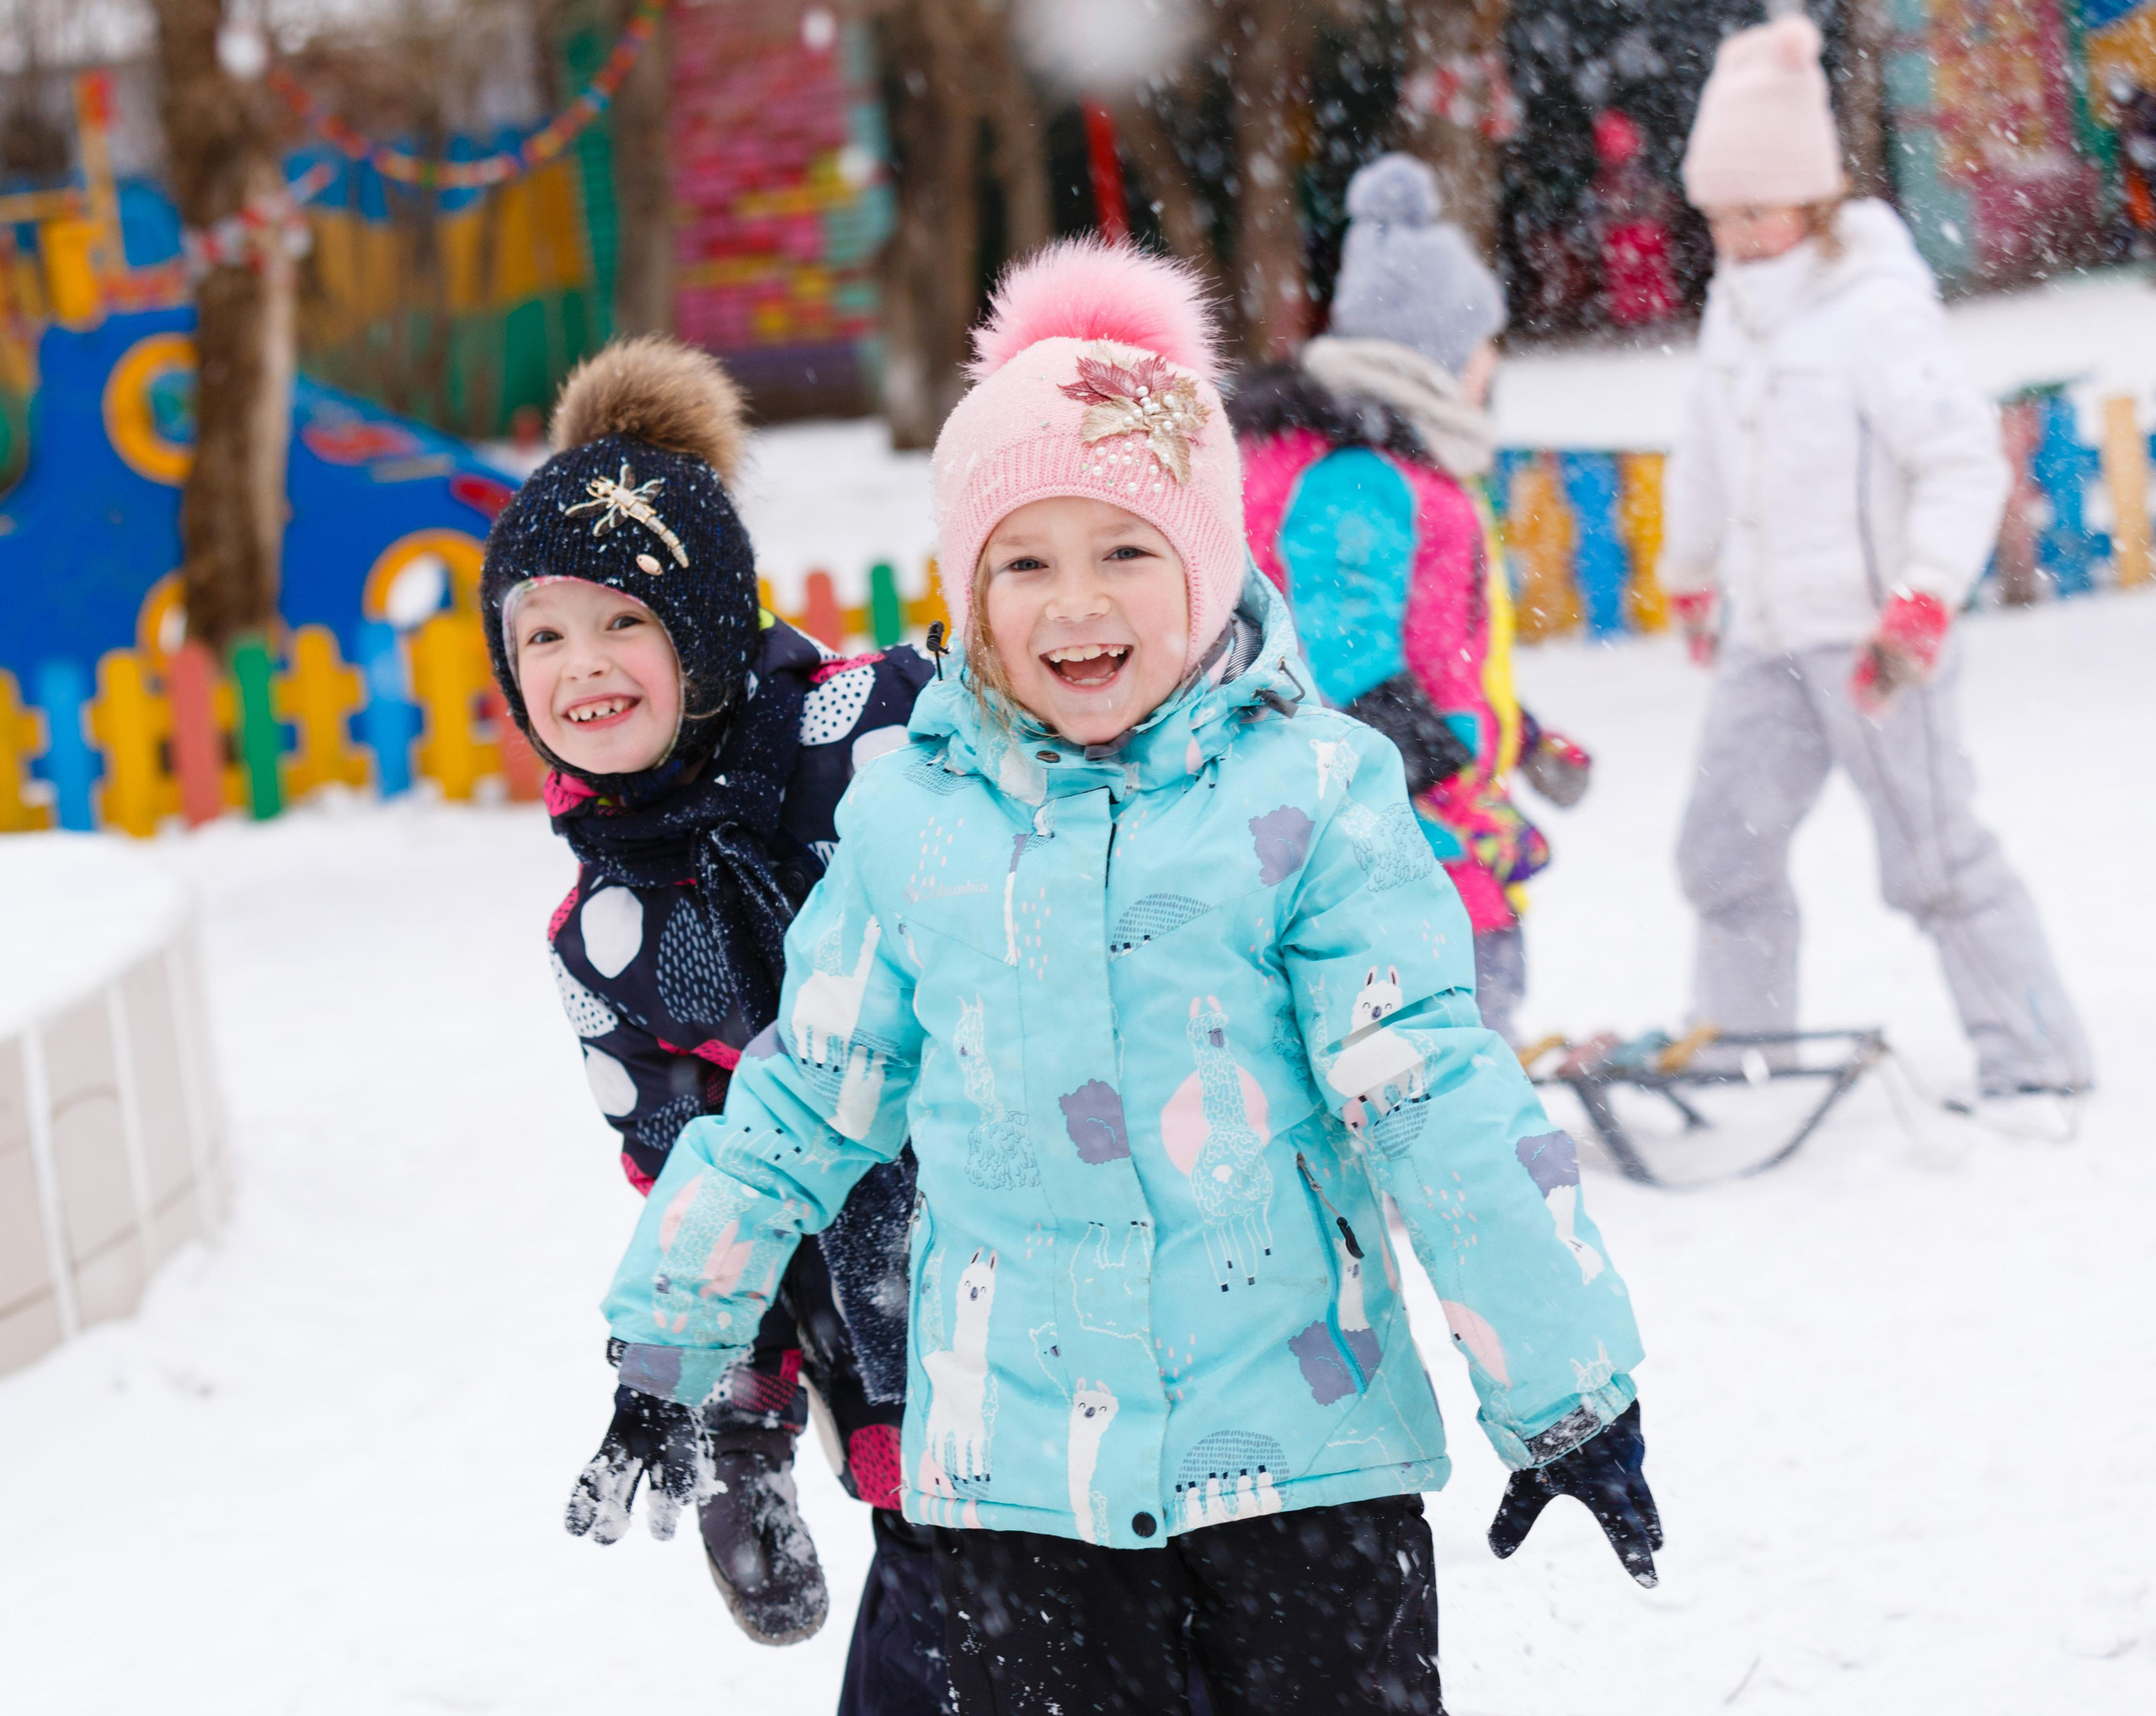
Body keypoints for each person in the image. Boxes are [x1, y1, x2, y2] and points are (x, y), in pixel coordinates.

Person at [571, 242, 1658, 1715]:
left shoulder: (1316, 797)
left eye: (1125, 551)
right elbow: (791, 1112)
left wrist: (1567, 1388)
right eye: (1025, 559)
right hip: (1019, 1499)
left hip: (1306, 1473)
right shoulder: (912, 822)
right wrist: (670, 1342)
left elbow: (1435, 1093)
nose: (1075, 604)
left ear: (1208, 561)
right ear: (970, 589)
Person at [478, 336, 947, 1712]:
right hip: (847, 1280)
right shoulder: (601, 938)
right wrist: (691, 1380)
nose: (584, 666)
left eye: (625, 621)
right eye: (543, 635)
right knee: (946, 1588)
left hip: (1026, 1216)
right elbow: (689, 1176)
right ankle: (753, 1437)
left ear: (711, 623)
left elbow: (1046, 690)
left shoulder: (875, 729)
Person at [1662, 13, 2093, 1117]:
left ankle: (2037, 1058)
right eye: (1721, 215)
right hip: (1768, 639)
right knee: (1723, 853)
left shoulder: (1875, 312)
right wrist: (1694, 571)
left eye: (1757, 211)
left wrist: (1923, 600)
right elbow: (1707, 453)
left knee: (1935, 860)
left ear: (1813, 198)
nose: (1740, 234)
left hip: (1874, 646)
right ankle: (1746, 1055)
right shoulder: (1730, 309)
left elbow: (1959, 463)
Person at [1233, 152, 1592, 1044]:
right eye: (1479, 346)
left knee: (1470, 977)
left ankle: (1465, 1107)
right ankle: (1453, 1137)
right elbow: (1338, 642)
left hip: (1427, 795)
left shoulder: (1406, 469)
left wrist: (1522, 730)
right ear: (1434, 357)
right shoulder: (1362, 476)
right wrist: (1427, 767)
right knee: (1448, 990)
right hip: (1397, 816)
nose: (1490, 365)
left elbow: (1437, 647)